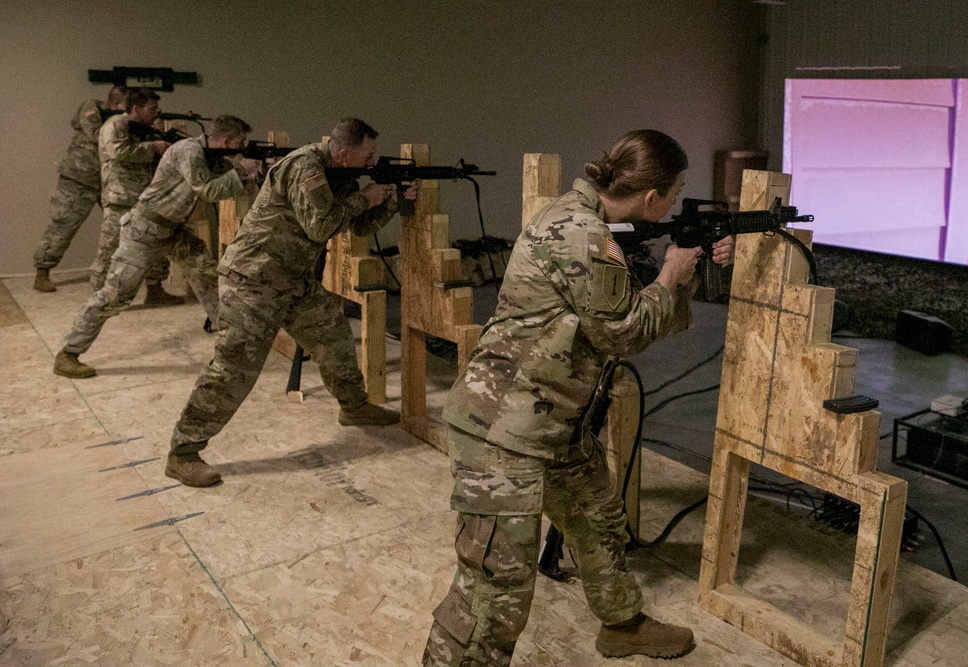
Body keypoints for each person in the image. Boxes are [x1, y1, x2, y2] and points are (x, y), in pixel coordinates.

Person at [422, 129, 734, 665]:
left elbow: (622, 309)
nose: (675, 204)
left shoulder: (587, 217)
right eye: (676, 192)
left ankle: (622, 624)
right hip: (504, 427)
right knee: (496, 589)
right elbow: (623, 332)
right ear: (653, 196)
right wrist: (671, 273)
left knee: (598, 520)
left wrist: (687, 271)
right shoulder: (580, 233)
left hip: (554, 419)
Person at [165, 117, 413, 488]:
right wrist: (367, 196)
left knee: (333, 338)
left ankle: (353, 406)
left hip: (291, 279)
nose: (371, 162)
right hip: (253, 280)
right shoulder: (305, 166)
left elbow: (358, 226)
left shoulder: (337, 171)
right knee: (234, 369)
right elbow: (320, 226)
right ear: (344, 153)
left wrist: (391, 201)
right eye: (367, 155)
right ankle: (182, 452)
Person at [53, 115, 260, 379]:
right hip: (145, 230)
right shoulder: (188, 150)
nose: (241, 147)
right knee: (115, 295)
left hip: (172, 230)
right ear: (226, 140)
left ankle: (232, 348)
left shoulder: (214, 158)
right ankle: (68, 353)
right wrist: (243, 170)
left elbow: (228, 188)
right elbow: (208, 190)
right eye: (239, 142)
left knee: (208, 277)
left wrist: (259, 172)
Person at [32, 86, 127, 292]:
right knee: (63, 225)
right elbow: (96, 135)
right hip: (78, 178)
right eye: (125, 106)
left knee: (127, 224)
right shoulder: (92, 108)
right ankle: (42, 273)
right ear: (116, 104)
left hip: (107, 180)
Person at [92, 87, 181, 305]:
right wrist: (153, 147)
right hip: (120, 198)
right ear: (136, 109)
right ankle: (99, 297)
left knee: (154, 247)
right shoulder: (116, 125)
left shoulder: (144, 129)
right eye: (152, 108)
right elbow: (119, 152)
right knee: (110, 248)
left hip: (145, 198)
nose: (156, 112)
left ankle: (155, 289)